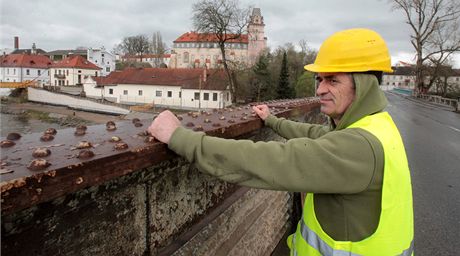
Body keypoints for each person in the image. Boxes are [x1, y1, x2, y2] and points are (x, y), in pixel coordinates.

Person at [148, 28, 413, 256]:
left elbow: (269, 161)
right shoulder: (376, 127)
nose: (320, 89)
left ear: (364, 85)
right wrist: (273, 121)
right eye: (320, 79)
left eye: (333, 80)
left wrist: (179, 137)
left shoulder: (358, 147)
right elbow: (317, 137)